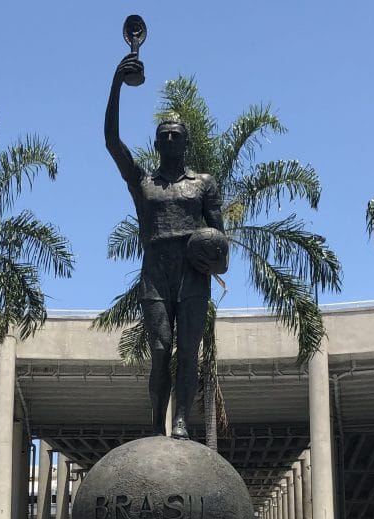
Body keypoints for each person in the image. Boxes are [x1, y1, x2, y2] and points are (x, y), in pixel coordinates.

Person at [105, 53, 227, 440]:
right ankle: (157, 423)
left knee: (188, 352)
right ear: (157, 143)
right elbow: (111, 141)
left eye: (177, 134)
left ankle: (180, 423)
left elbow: (219, 236)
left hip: (192, 274)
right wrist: (116, 84)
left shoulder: (203, 183)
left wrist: (215, 260)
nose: (171, 138)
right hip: (156, 272)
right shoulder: (143, 183)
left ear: (185, 141)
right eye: (165, 135)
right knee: (160, 350)